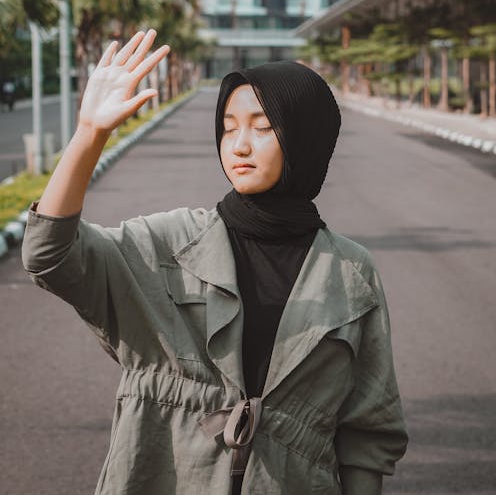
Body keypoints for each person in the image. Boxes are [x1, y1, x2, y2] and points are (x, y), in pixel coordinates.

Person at [22, 29, 407, 495]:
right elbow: (49, 255)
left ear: (307, 137)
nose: (239, 145)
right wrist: (89, 134)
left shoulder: (350, 271)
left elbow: (367, 431)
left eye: (263, 127)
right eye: (228, 128)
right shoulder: (168, 243)